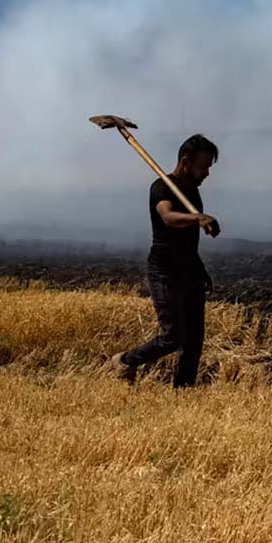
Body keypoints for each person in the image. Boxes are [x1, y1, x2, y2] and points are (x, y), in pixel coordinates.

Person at [108, 134, 221, 388]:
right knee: (173, 338)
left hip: (189, 269)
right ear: (185, 161)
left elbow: (188, 241)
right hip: (165, 270)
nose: (206, 173)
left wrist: (201, 270)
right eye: (203, 166)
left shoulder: (192, 192)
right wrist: (198, 218)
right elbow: (168, 217)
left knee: (193, 342)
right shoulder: (161, 187)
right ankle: (125, 361)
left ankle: (183, 394)